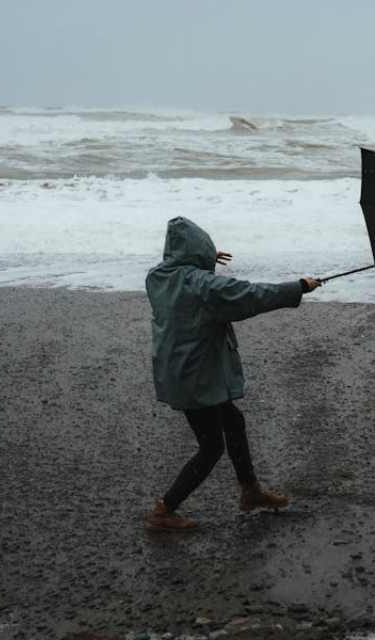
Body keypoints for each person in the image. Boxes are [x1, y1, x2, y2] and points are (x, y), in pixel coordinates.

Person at [144, 216, 321, 531]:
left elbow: (185, 275)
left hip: (180, 370)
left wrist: (203, 259)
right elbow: (250, 295)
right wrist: (298, 287)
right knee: (211, 447)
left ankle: (250, 491)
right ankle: (164, 510)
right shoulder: (202, 286)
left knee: (233, 421)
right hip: (195, 377)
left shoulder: (158, 278)